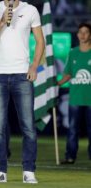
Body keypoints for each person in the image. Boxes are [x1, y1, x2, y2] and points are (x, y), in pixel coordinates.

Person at [0, 0, 45, 183]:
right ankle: (0, 171)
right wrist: (2, 22)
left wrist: (34, 66)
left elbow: (40, 41)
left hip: (22, 75)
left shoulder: (31, 10)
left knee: (28, 127)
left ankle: (29, 171)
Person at [58, 23, 91, 164]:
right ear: (77, 35)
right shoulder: (73, 52)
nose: (82, 35)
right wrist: (56, 83)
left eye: (86, 32)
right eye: (80, 32)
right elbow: (67, 74)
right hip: (75, 99)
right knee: (72, 130)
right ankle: (70, 156)